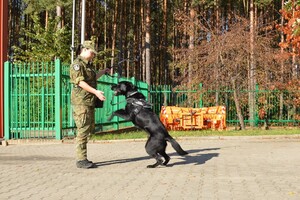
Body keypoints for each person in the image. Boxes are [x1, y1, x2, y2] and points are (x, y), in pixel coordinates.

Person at [70, 40, 109, 169]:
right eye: (92, 53)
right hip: (81, 103)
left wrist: (103, 72)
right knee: (82, 130)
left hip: (88, 102)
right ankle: (81, 160)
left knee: (87, 130)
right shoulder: (77, 65)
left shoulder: (88, 65)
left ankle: (83, 158)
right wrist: (96, 92)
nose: (93, 55)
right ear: (85, 49)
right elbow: (80, 83)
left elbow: (91, 79)